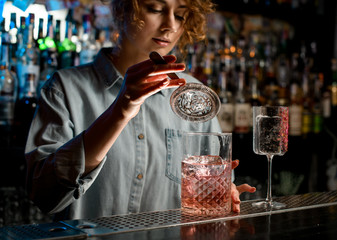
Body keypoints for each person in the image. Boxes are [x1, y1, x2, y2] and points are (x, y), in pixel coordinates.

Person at [25, 0, 256, 220]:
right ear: (123, 9)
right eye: (155, 9)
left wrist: (223, 194)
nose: (170, 25)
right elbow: (45, 196)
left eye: (180, 15)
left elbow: (212, 191)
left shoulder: (194, 97)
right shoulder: (65, 89)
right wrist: (120, 110)